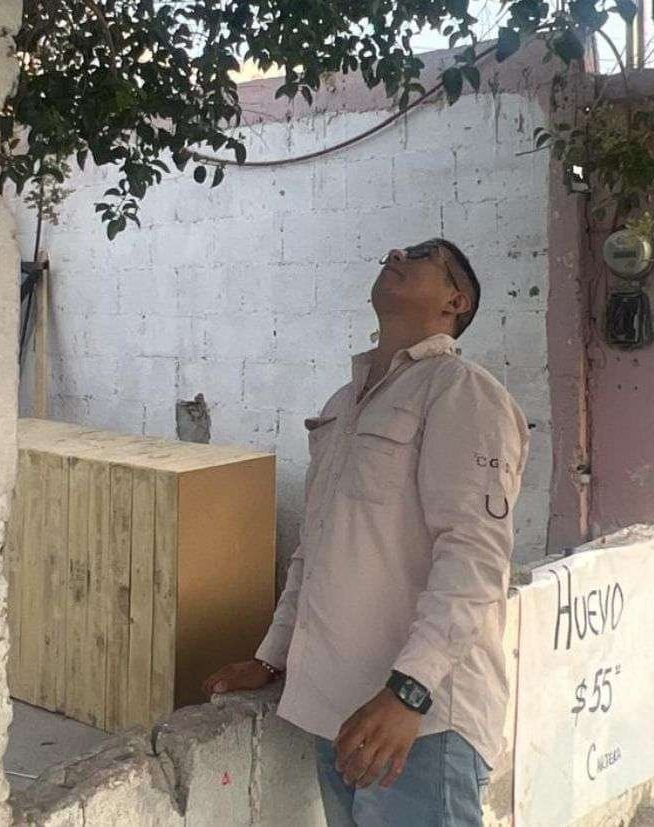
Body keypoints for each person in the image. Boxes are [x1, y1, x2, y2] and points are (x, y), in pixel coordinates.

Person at [202, 239, 529, 827]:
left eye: (424, 255)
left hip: (421, 726)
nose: (397, 252)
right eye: (398, 251)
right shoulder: (344, 403)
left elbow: (474, 558)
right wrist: (271, 658)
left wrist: (408, 692)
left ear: (455, 302)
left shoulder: (463, 391)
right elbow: (315, 551)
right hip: (340, 712)